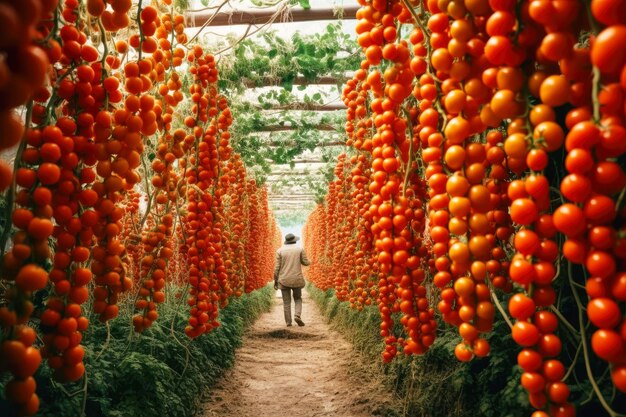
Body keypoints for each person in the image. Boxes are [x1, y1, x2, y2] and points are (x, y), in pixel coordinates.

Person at [273, 233, 310, 327]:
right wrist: (310, 261)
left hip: (283, 279)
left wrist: (275, 280)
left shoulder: (280, 251)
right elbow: (305, 262)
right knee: (297, 298)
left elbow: (277, 267)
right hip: (296, 279)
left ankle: (288, 323)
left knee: (286, 302)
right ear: (295, 240)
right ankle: (297, 315)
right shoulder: (299, 249)